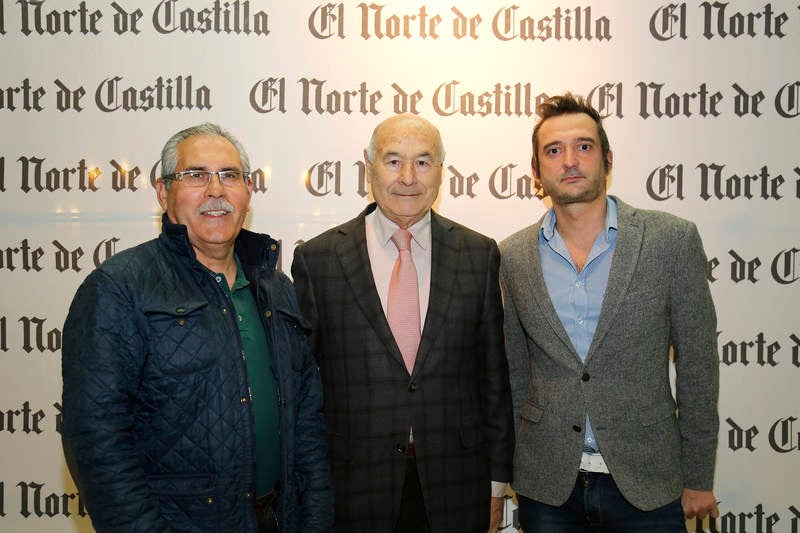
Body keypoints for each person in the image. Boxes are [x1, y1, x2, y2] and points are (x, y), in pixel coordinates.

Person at [61, 123, 333, 533]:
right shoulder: (119, 288)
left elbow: (307, 424)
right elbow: (98, 441)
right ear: (162, 191)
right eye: (195, 175)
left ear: (247, 192)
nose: (215, 190)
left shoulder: (276, 289)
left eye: (229, 175)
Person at [500, 93, 720, 531]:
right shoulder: (511, 256)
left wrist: (697, 478)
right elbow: (514, 372)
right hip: (548, 489)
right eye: (553, 150)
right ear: (536, 172)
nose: (570, 161)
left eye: (584, 146)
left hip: (648, 483)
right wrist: (511, 469)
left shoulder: (670, 241)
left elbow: (698, 365)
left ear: (607, 159)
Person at [291, 113, 514, 533]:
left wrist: (497, 484)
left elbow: (493, 379)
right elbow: (302, 386)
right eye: (393, 161)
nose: (408, 177)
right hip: (353, 483)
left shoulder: (478, 254)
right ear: (368, 167)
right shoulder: (318, 260)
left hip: (457, 483)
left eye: (424, 162)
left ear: (441, 171)